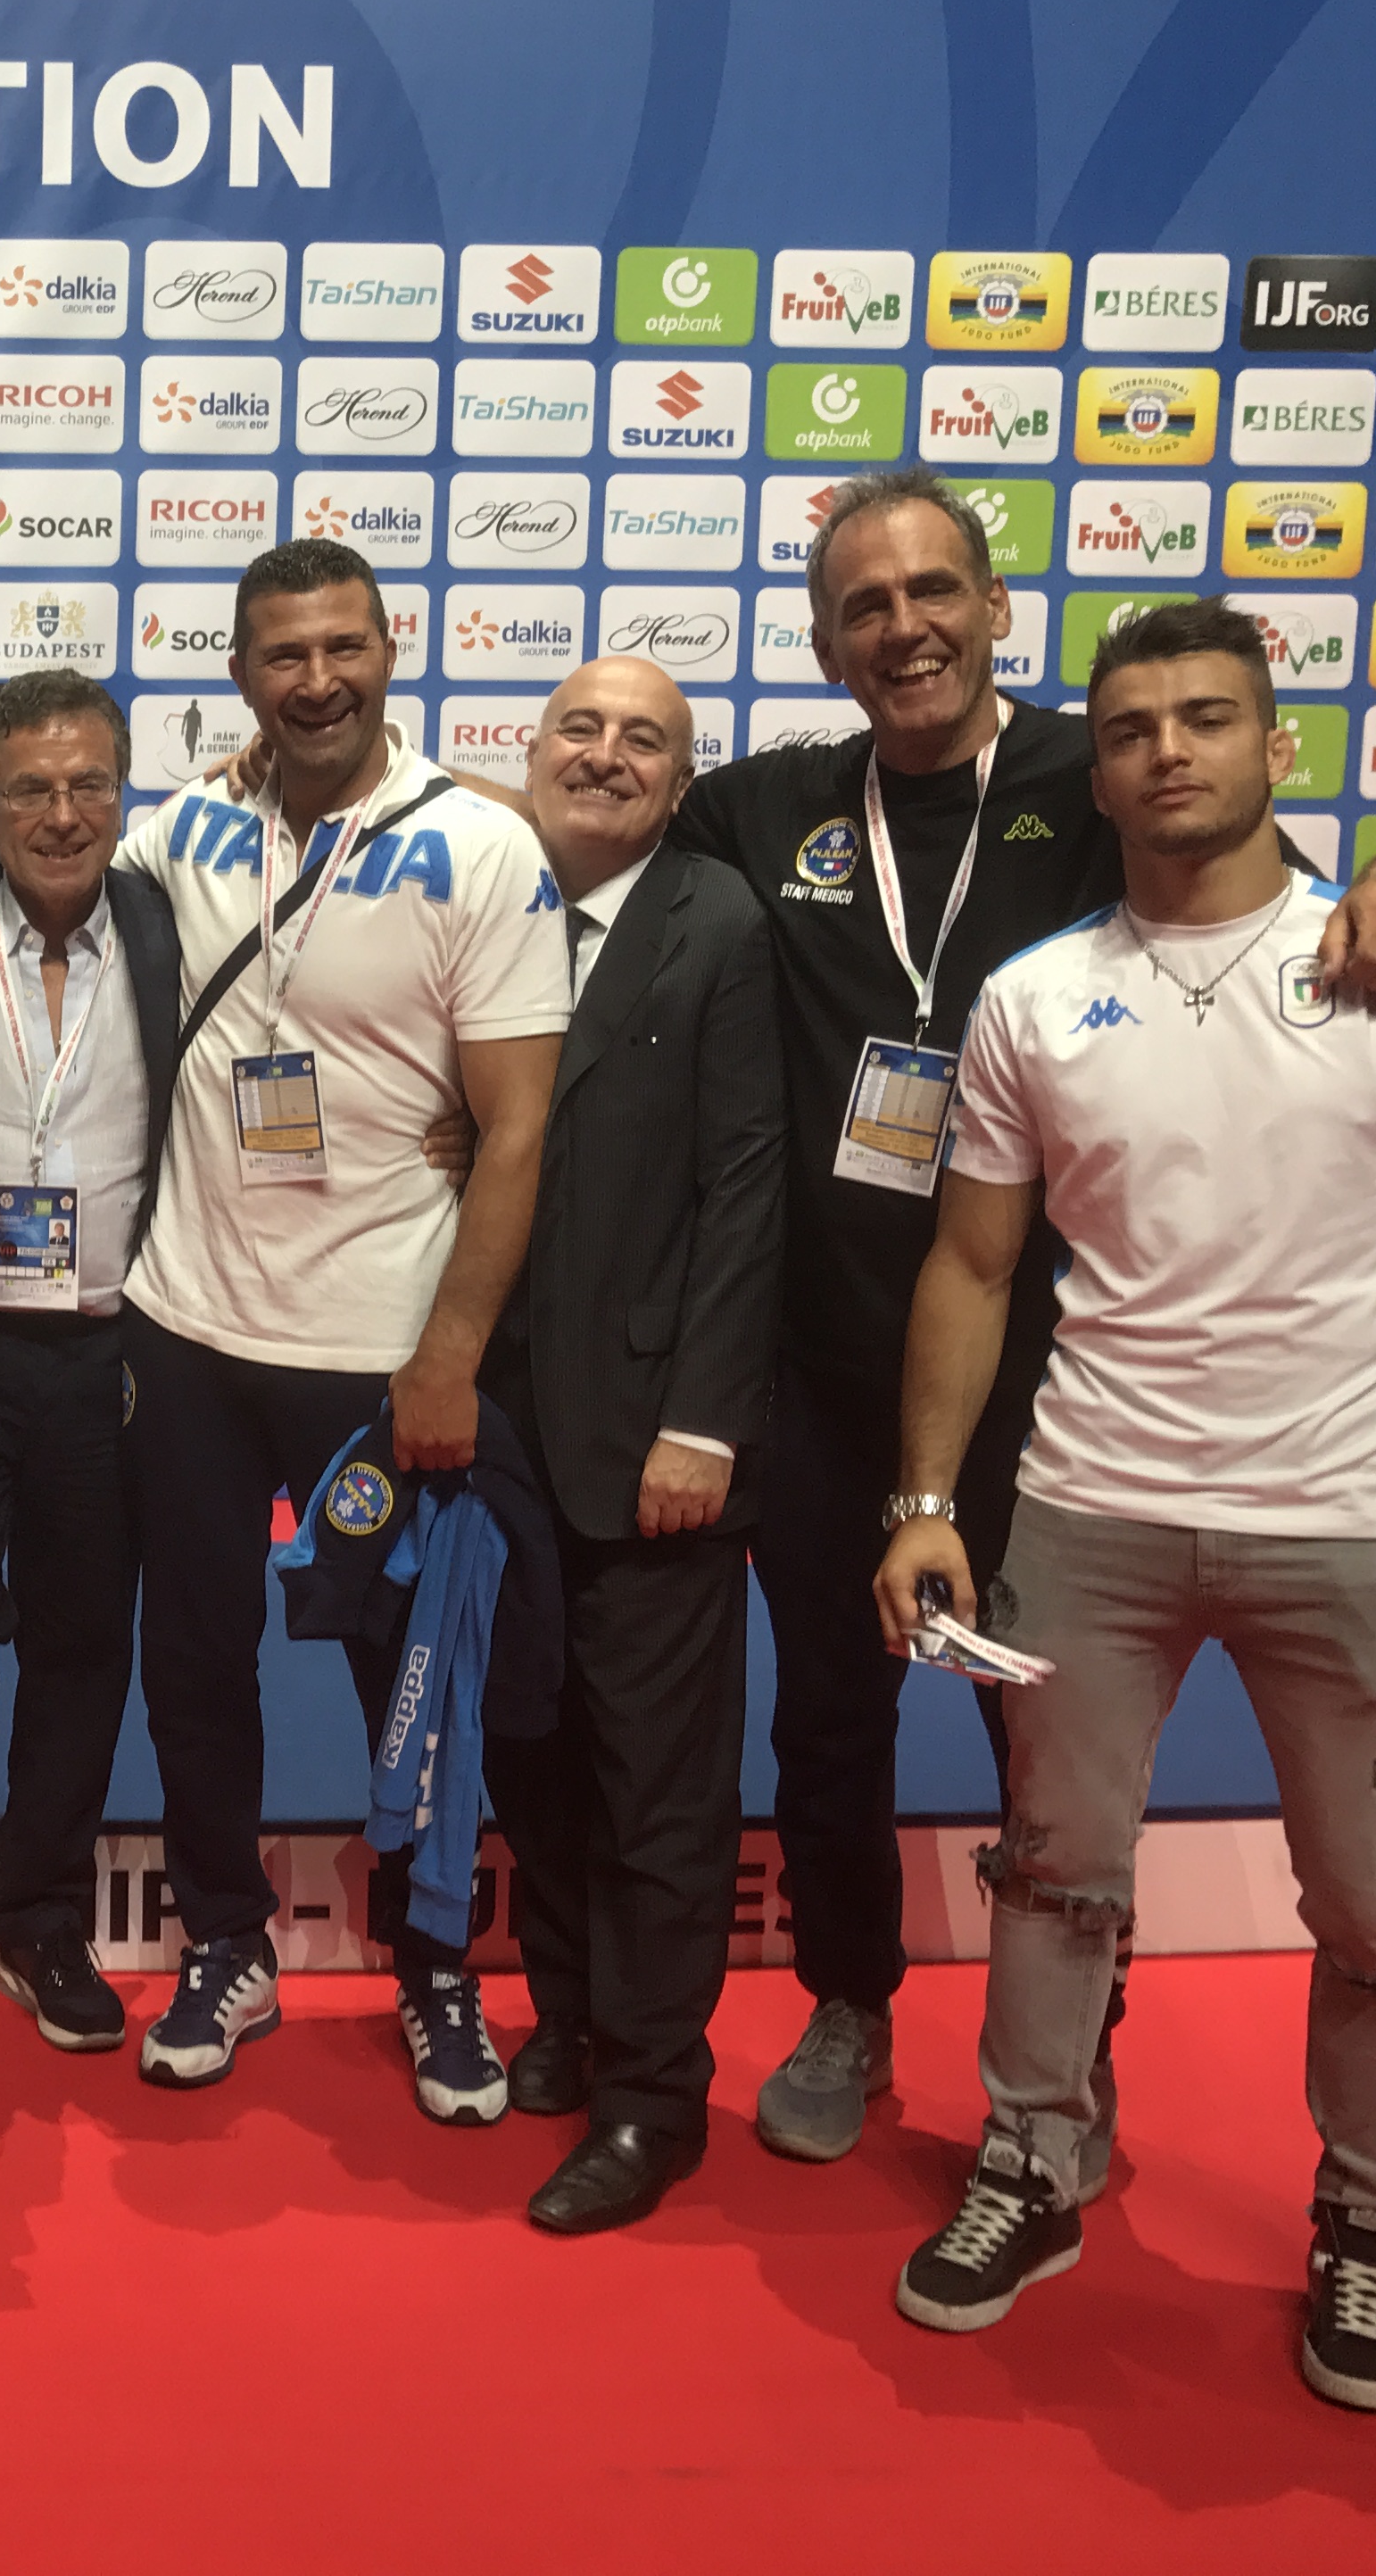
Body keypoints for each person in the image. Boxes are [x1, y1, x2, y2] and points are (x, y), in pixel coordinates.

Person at [665, 464, 1376, 2168]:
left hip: (1049, 1384)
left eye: (934, 592)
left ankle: (1070, 2052)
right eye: (867, 607)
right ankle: (849, 2000)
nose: (906, 629)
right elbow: (584, 814)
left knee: (1043, 1741)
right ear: (823, 643)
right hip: (825, 1368)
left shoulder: (1096, 772)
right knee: (827, 1718)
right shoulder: (768, 806)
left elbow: (1280, 875)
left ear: (994, 608)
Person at [875, 596, 1376, 2413]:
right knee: (1054, 1875)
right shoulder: (1033, 999)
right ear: (1097, 770)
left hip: (1344, 1522)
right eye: (1133, 729)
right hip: (1088, 1511)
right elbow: (972, 1268)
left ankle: (1369, 2220)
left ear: (1275, 744)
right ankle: (1037, 2157)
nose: (1169, 753)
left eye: (1207, 718)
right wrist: (924, 1497)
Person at [112, 534, 569, 2115]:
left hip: (382, 1350)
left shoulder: (481, 850)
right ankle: (224, 1941)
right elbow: (35, 859)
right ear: (240, 675)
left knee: (413, 1668)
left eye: (342, 648)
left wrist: (448, 1357)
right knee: (195, 1659)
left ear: (391, 648)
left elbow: (516, 1127)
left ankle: (434, 1962)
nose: (316, 681)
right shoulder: (182, 827)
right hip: (185, 1328)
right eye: (283, 656)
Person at [468, 658, 784, 2232]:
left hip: (658, 1436)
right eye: (578, 731)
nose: (603, 757)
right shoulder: (484, 902)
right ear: (530, 753)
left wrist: (704, 1425)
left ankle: (657, 2097)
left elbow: (748, 1188)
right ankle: (571, 2012)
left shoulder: (717, 923)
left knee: (658, 1786)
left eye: (641, 739)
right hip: (497, 1430)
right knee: (532, 1749)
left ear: (681, 779)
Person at [0, 670, 178, 2050]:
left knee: (82, 1640)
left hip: (113, 1350)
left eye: (90, 786)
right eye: (31, 790)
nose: (64, 815)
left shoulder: (175, 926)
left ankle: (43, 1914)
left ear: (123, 794)